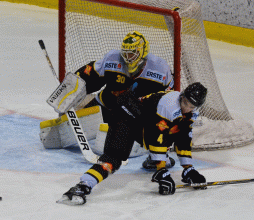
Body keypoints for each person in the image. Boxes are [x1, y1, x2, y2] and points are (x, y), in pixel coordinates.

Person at [56, 82, 208, 205]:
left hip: (145, 122)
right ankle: (82, 186)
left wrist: (189, 169)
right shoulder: (169, 105)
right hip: (127, 118)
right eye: (185, 102)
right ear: (182, 96)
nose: (186, 107)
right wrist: (161, 170)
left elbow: (183, 139)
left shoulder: (191, 113)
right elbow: (157, 138)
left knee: (176, 131)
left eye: (191, 106)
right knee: (114, 158)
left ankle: (154, 161)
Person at [73, 31, 175, 167]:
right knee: (77, 126)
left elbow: (168, 99)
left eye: (132, 53)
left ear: (142, 53)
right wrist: (73, 83)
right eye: (125, 53)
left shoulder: (160, 69)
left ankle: (156, 151)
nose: (128, 57)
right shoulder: (112, 58)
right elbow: (90, 72)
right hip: (106, 105)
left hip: (135, 115)